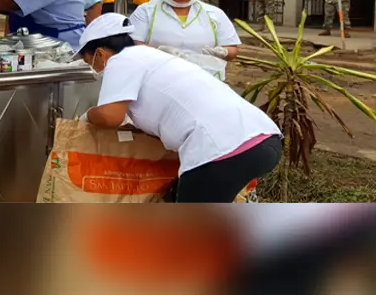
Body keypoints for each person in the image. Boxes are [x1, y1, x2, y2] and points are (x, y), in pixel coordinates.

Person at [77, 13, 282, 203]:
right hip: (264, 141)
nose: (93, 68)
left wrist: (88, 116)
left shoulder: (120, 61)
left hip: (221, 152)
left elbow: (109, 117)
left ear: (100, 53)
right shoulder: (151, 57)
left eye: (90, 61)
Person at [128, 0, 241, 81]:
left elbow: (232, 49)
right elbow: (132, 45)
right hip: (159, 82)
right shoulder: (146, 11)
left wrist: (223, 52)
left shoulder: (214, 14)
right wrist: (158, 52)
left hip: (206, 83)